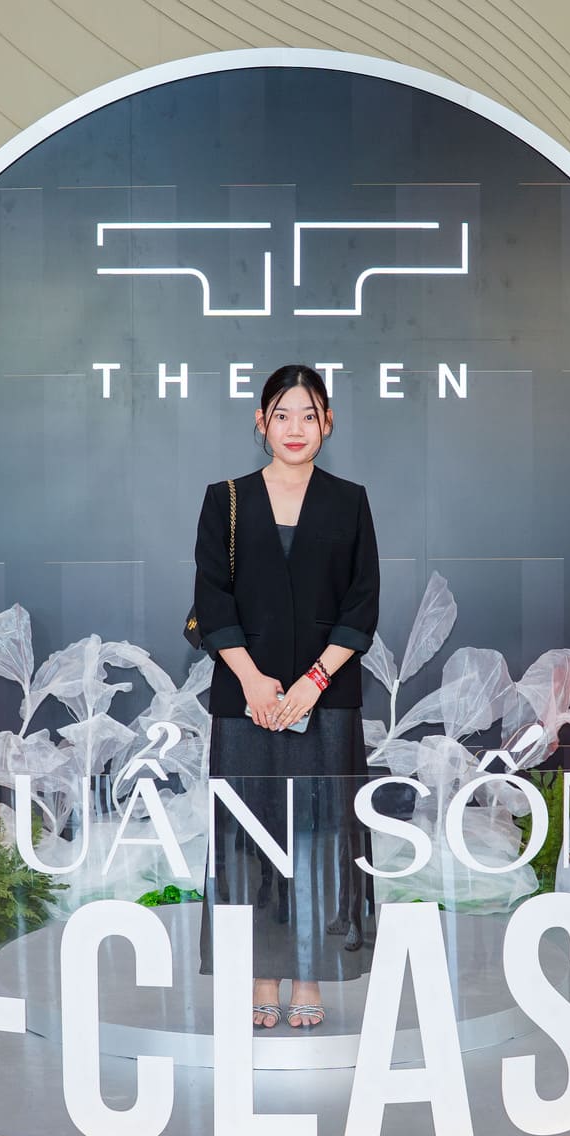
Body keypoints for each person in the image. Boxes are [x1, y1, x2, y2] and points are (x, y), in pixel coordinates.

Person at [190, 364, 379, 1030]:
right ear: (260, 422)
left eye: (308, 415)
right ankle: (260, 974)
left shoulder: (349, 501)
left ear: (327, 422)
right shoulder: (226, 500)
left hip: (326, 700)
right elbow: (211, 601)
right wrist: (251, 680)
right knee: (249, 836)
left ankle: (310, 974)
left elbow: (362, 604)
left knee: (321, 836)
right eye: (281, 415)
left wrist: (312, 683)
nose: (295, 428)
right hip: (247, 700)